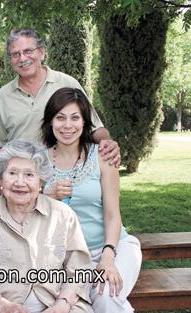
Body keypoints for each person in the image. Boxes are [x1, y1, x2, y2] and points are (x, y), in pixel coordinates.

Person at [0, 139, 93, 313]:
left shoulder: (63, 215)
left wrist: (61, 306)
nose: (20, 182)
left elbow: (80, 269)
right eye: (12, 173)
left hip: (58, 303)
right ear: (1, 179)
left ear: (40, 182)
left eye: (29, 175)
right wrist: (1, 305)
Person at [41, 88, 142, 312]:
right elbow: (26, 212)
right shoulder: (38, 161)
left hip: (114, 246)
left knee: (107, 295)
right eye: (60, 117)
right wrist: (46, 196)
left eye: (75, 117)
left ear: (86, 122)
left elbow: (113, 215)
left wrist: (108, 256)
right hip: (68, 259)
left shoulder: (103, 157)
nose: (68, 125)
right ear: (50, 122)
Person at [0, 28, 120, 167]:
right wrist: (2, 184)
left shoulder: (67, 84)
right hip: (24, 182)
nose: (22, 58)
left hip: (66, 178)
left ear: (42, 52)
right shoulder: (2, 96)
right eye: (15, 54)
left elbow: (95, 127)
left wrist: (107, 141)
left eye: (28, 51)